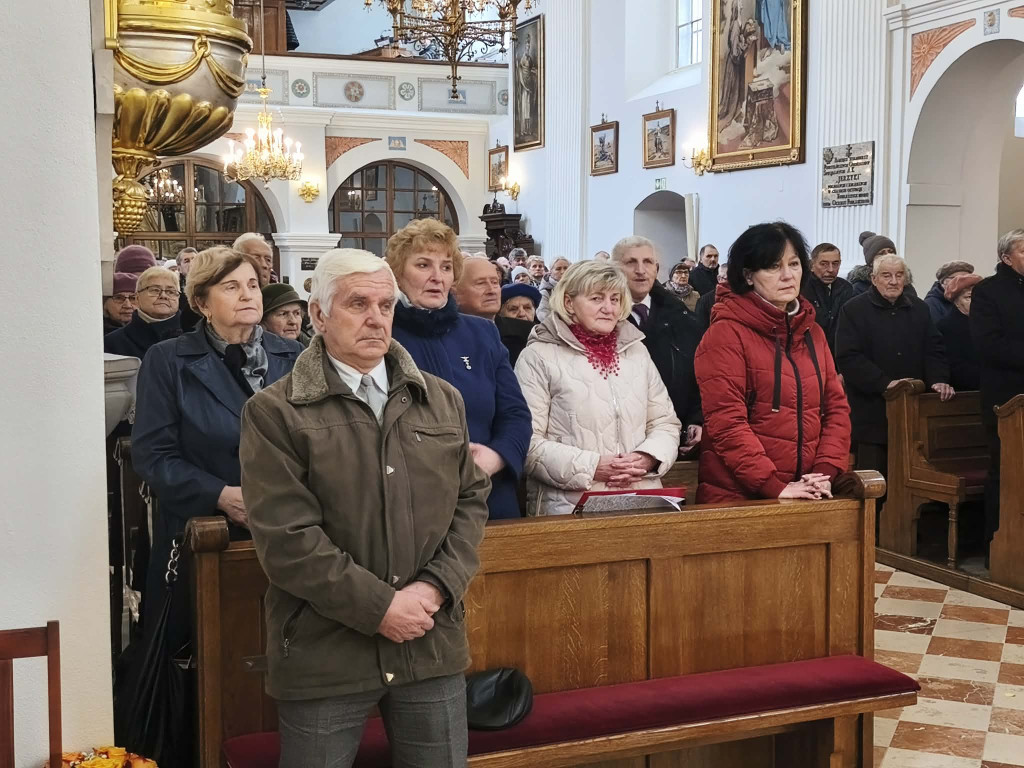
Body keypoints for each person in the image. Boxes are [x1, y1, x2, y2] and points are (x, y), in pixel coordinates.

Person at [239, 249, 490, 768]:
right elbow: (288, 539)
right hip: (326, 648)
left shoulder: (441, 399)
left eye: (385, 305)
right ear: (318, 314)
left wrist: (433, 589)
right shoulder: (276, 411)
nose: (376, 318)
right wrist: (380, 608)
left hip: (428, 639)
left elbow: (469, 503)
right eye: (358, 304)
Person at [132, 246, 301, 645]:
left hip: (289, 531)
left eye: (253, 285)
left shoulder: (293, 356)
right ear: (202, 303)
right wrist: (221, 495)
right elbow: (153, 455)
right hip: (207, 533)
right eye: (231, 287)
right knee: (214, 654)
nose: (247, 295)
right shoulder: (169, 360)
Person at [386, 220, 531, 520]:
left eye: (446, 267)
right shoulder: (384, 336)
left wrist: (495, 456)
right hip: (415, 505)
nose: (437, 277)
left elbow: (515, 413)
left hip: (489, 496)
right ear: (398, 273)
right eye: (423, 265)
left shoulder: (482, 333)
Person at [695, 223, 851, 503]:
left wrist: (824, 472)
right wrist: (773, 486)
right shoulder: (725, 334)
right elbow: (726, 422)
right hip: (739, 497)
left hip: (809, 490)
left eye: (794, 264)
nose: (787, 275)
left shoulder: (812, 332)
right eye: (773, 267)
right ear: (748, 275)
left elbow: (836, 408)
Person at [514, 261, 682, 516]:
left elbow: (665, 422)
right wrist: (592, 466)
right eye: (596, 298)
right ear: (569, 303)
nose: (609, 308)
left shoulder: (636, 351)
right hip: (569, 507)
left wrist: (648, 457)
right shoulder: (538, 356)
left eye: (615, 299)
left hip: (641, 499)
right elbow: (527, 441)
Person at [835, 254, 953, 483]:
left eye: (899, 275)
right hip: (872, 411)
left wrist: (938, 379)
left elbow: (934, 349)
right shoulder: (853, 309)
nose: (893, 281)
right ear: (874, 279)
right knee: (874, 483)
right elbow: (848, 357)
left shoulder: (919, 308)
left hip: (913, 411)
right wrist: (885, 383)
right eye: (886, 275)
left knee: (909, 480)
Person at [612, 237, 704, 452]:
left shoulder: (682, 318)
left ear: (657, 269)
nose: (640, 270)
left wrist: (697, 418)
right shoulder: (600, 319)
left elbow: (699, 374)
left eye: (648, 262)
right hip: (617, 444)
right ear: (613, 269)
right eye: (631, 262)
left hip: (672, 439)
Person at [971, 229, 1024, 549]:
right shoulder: (988, 292)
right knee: (1005, 470)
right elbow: (988, 345)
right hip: (1006, 399)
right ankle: (998, 545)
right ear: (1006, 257)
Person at [104, 267, 182, 358]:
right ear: (137, 298)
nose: (163, 296)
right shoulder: (112, 343)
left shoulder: (192, 335)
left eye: (171, 292)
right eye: (155, 290)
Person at [802, 243, 854, 354]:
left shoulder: (846, 288)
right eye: (824, 264)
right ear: (812, 265)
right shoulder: (801, 289)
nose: (830, 269)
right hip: (809, 352)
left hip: (839, 353)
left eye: (835, 264)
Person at [938, 273, 982, 390]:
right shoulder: (946, 326)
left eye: (979, 297)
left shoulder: (987, 323)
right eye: (969, 297)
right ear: (956, 301)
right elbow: (954, 365)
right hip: (965, 391)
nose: (976, 302)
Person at [924, 260, 975, 326]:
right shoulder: (932, 303)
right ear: (943, 281)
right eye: (956, 278)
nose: (963, 283)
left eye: (967, 279)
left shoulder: (974, 299)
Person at [695, 262, 729, 336]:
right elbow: (700, 330)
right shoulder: (704, 301)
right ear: (719, 278)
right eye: (728, 279)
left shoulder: (743, 297)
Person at [537, 256, 570, 322]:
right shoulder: (545, 292)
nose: (563, 271)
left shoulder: (575, 287)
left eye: (565, 268)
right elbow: (542, 313)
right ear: (551, 271)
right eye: (558, 269)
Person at [177, 247, 202, 331]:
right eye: (186, 261)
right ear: (179, 269)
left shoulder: (209, 286)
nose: (192, 263)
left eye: (194, 259)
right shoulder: (175, 289)